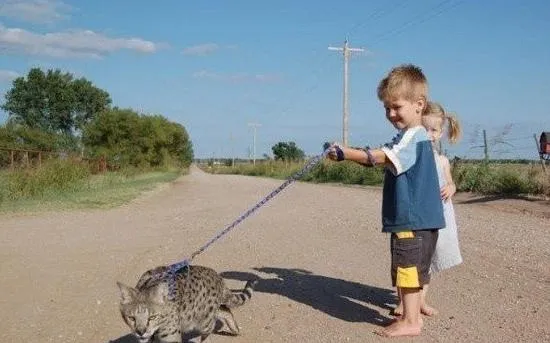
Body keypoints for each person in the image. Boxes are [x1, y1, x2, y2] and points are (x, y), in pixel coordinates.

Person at [327, 64, 445, 337]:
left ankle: (411, 321)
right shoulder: (410, 137)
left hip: (412, 220)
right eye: (386, 109)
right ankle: (410, 311)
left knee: (407, 268)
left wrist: (347, 153)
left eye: (396, 107)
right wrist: (354, 155)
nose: (391, 114)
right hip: (419, 220)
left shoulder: (413, 137)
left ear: (419, 105)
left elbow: (382, 157)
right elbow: (383, 158)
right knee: (414, 269)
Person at [392, 101, 464, 318]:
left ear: (441, 133)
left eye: (433, 130)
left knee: (427, 260)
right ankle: (404, 302)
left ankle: (421, 300)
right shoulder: (411, 153)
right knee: (408, 256)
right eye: (424, 129)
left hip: (438, 216)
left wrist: (451, 187)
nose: (429, 134)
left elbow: (450, 183)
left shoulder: (442, 161)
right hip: (416, 215)